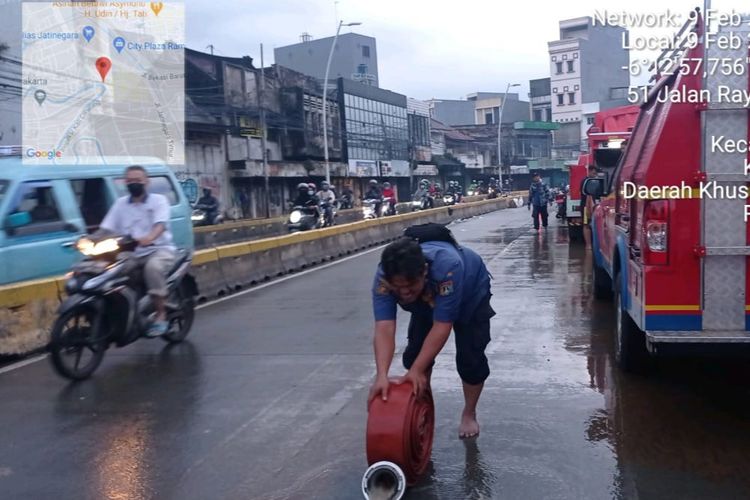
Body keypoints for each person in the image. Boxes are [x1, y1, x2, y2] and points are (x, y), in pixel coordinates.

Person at [368, 234, 495, 439]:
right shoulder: (384, 276)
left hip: (471, 294)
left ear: (424, 272)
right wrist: (381, 374)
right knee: (415, 357)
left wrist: (417, 370)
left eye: (410, 286)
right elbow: (384, 326)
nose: (405, 293)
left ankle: (469, 413)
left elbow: (442, 326)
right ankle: (423, 409)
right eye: (398, 288)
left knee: (470, 361)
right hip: (427, 300)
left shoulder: (447, 269)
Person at [99, 165, 176, 337]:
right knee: (108, 271)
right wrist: (89, 239)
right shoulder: (120, 204)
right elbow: (106, 228)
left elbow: (160, 225)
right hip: (133, 252)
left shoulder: (158, 200)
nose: (134, 183)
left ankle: (160, 314)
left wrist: (150, 237)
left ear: (146, 182)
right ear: (125, 183)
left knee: (153, 268)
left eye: (138, 180)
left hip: (159, 249)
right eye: (130, 180)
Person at [581, 165, 600, 249]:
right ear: (589, 171)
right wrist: (590, 207)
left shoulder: (594, 181)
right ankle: (588, 245)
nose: (595, 175)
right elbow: (587, 195)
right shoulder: (586, 181)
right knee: (586, 225)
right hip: (586, 207)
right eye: (593, 173)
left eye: (595, 173)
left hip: (593, 206)